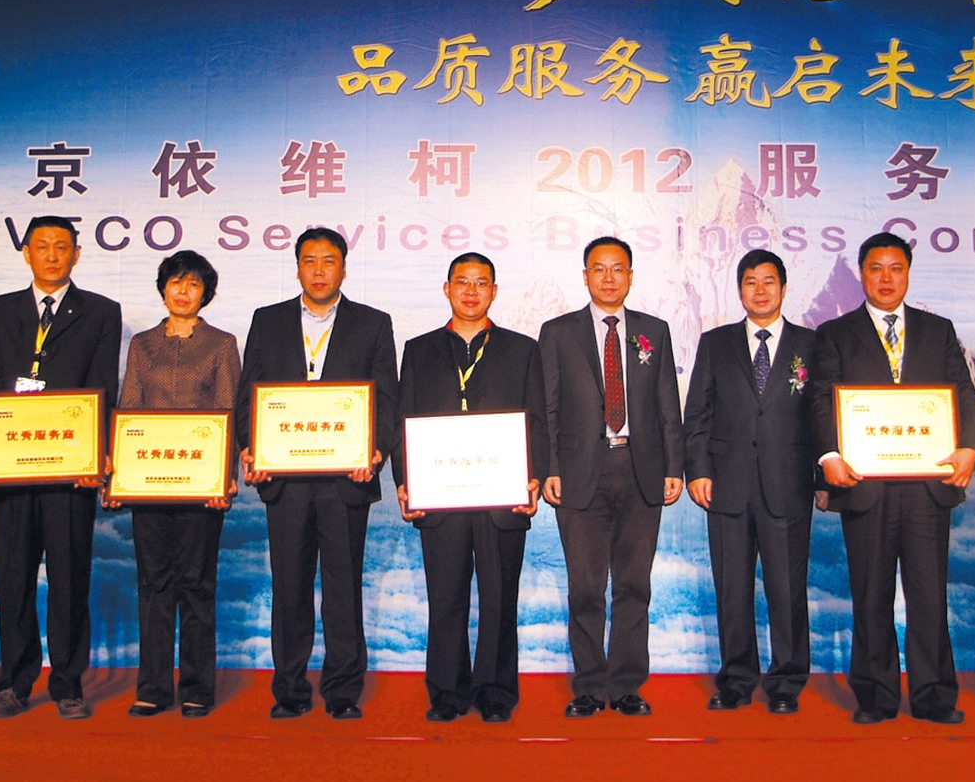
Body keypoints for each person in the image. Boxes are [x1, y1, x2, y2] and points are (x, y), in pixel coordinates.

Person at [810, 232, 975, 725]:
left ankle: (934, 696)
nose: (886, 279)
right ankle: (876, 696)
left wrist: (970, 447)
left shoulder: (938, 330)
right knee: (871, 595)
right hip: (863, 483)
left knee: (930, 596)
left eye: (896, 268)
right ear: (862, 274)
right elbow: (820, 398)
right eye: (876, 268)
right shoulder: (836, 333)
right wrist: (828, 455)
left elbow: (964, 393)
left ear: (908, 273)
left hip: (929, 486)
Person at [237, 227, 398, 720]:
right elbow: (248, 395)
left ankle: (343, 692)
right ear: (297, 268)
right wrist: (250, 447)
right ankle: (289, 690)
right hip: (284, 480)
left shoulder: (372, 323)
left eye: (329, 261)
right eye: (310, 261)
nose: (320, 270)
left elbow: (386, 398)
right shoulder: (267, 321)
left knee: (343, 587)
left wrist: (375, 451)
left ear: (344, 268)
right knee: (289, 587)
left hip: (346, 479)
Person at [0, 216, 122, 720]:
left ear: (77, 254)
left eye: (61, 247)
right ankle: (12, 683)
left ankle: (68, 683)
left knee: (69, 576)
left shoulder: (101, 311)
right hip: (10, 464)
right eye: (42, 246)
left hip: (70, 467)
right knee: (13, 577)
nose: (52, 255)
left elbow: (103, 386)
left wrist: (98, 452)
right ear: (26, 253)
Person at [393, 253, 548, 723]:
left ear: (494, 292)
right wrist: (405, 481)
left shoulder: (522, 349)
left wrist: (534, 476)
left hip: (503, 496)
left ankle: (496, 691)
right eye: (462, 282)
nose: (471, 291)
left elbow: (537, 420)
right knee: (445, 598)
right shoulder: (419, 350)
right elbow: (403, 419)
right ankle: (447, 692)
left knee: (500, 598)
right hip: (439, 494)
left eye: (481, 283)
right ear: (447, 288)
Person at [538, 236, 682, 718]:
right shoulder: (558, 332)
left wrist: (674, 467)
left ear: (631, 276)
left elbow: (668, 405)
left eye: (617, 269)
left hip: (641, 471)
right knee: (585, 586)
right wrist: (549, 467)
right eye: (598, 269)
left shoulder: (653, 331)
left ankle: (626, 687)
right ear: (585, 276)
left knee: (634, 585)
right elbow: (548, 407)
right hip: (580, 474)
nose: (608, 277)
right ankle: (587, 686)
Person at [682, 250, 819, 715]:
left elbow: (822, 417)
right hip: (727, 485)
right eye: (750, 282)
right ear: (739, 289)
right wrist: (699, 470)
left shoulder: (810, 344)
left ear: (784, 287)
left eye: (768, 281)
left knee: (787, 590)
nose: (760, 290)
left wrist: (823, 477)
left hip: (789, 485)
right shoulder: (716, 343)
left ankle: (786, 682)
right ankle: (736, 680)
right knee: (733, 589)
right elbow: (697, 414)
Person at [107, 251, 239, 719]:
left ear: (206, 293)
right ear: (163, 289)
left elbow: (228, 412)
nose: (184, 291)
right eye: (176, 283)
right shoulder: (142, 345)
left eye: (194, 284)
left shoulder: (222, 344)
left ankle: (198, 688)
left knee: (197, 586)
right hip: (149, 482)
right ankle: (153, 687)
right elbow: (129, 408)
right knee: (154, 584)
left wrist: (224, 477)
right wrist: (120, 474)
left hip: (202, 484)